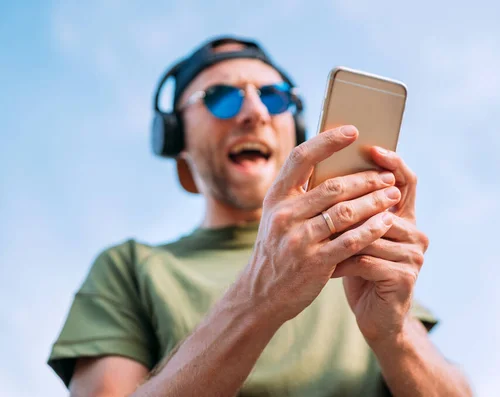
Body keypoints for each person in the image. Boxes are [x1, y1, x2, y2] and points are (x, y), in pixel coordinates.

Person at [47, 35, 473, 397]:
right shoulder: (130, 267)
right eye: (221, 98)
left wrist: (395, 334)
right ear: (177, 141)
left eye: (273, 96)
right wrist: (260, 298)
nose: (255, 113)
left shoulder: (364, 256)